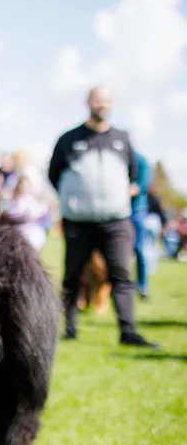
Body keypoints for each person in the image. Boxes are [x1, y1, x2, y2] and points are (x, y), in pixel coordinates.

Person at [47, 85, 159, 349]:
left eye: (107, 100)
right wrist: (73, 200)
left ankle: (128, 331)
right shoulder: (68, 139)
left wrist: (127, 192)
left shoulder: (122, 138)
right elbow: (54, 175)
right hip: (78, 221)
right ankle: (69, 329)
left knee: (121, 273)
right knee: (72, 275)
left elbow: (134, 173)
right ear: (88, 102)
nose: (102, 104)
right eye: (98, 99)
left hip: (115, 219)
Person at [130, 150, 152, 300]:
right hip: (115, 211)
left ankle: (142, 287)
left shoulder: (141, 160)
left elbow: (140, 186)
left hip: (136, 211)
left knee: (139, 250)